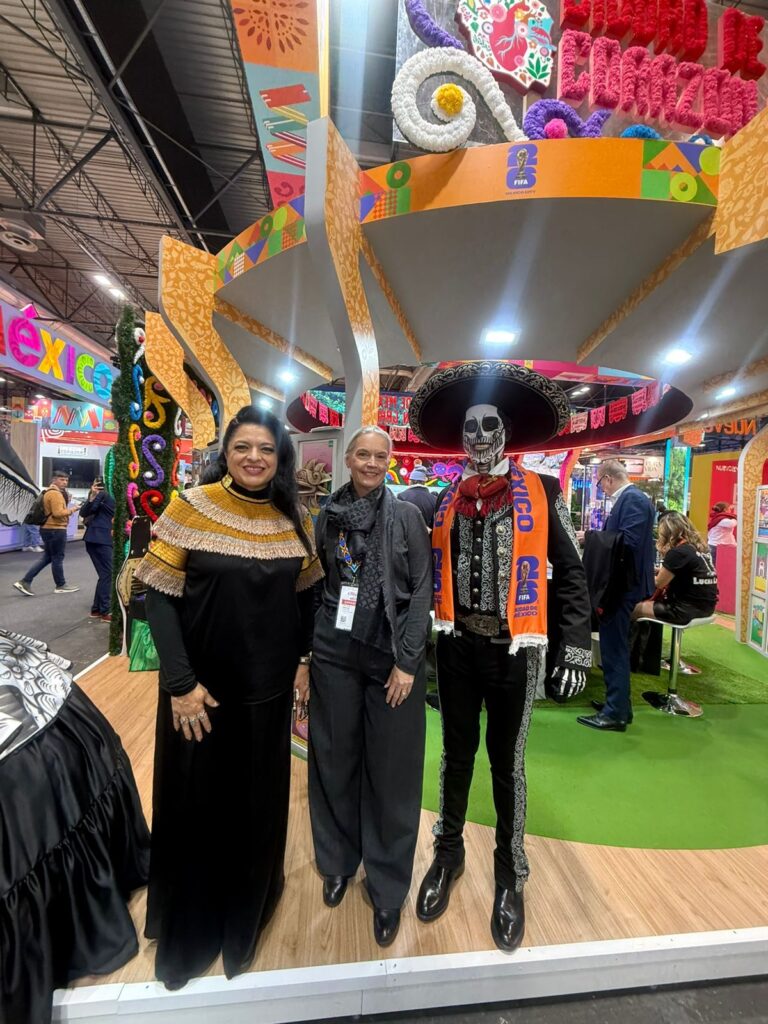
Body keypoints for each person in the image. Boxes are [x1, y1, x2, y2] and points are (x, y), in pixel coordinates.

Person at [134, 405, 322, 989]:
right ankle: (190, 935)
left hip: (267, 695)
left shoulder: (294, 517)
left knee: (255, 808)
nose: (254, 458)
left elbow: (308, 597)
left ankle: (246, 916)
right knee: (196, 807)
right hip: (201, 695)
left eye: (265, 449)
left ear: (280, 457)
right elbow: (158, 597)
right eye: (243, 447)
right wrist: (180, 685)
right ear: (226, 452)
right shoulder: (191, 505)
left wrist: (304, 660)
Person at [408, 362, 592, 954]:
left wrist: (575, 646)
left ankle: (511, 874)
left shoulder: (542, 492)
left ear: (506, 433)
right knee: (455, 756)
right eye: (470, 428)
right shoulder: (445, 499)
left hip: (516, 650)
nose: (479, 437)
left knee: (507, 764)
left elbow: (571, 574)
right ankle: (448, 855)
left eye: (489, 426)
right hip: (457, 647)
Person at [308, 425, 432, 948]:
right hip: (335, 649)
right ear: (349, 458)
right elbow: (319, 581)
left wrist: (407, 662)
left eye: (381, 456)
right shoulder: (329, 515)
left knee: (392, 773)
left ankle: (387, 888)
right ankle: (337, 861)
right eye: (363, 454)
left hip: (390, 653)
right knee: (334, 757)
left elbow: (422, 590)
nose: (372, 463)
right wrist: (307, 653)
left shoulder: (406, 517)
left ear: (390, 461)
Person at [577, 459, 655, 732]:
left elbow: (628, 543)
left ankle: (616, 713)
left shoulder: (633, 500)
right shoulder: (632, 499)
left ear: (608, 478)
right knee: (613, 645)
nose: (601, 488)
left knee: (614, 647)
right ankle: (619, 705)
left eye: (600, 483)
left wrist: (591, 537)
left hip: (623, 586)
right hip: (622, 584)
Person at [634, 512, 718, 624]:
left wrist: (640, 576)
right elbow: (689, 573)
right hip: (707, 608)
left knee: (631, 608)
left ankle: (630, 636)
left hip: (683, 610)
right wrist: (659, 571)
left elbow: (659, 583)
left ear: (667, 533)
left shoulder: (678, 552)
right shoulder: (700, 549)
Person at [13, 471, 80, 597]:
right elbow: (58, 513)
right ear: (54, 480)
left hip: (48, 529)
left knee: (48, 557)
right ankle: (60, 585)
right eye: (61, 479)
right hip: (55, 529)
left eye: (66, 480)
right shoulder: (55, 494)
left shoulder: (49, 492)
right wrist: (73, 509)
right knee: (57, 558)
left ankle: (25, 581)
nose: (65, 482)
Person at [80, 477, 115, 622]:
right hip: (101, 538)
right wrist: (93, 496)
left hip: (95, 538)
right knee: (108, 574)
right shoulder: (105, 495)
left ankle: (96, 609)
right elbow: (85, 512)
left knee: (104, 574)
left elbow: (84, 512)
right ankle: (105, 611)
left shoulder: (107, 496)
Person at [398, 465, 437, 529]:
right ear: (424, 482)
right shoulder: (434, 499)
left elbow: (398, 522)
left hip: (408, 534)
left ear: (413, 481)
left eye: (409, 479)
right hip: (428, 534)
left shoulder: (402, 496)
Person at [707, 501, 737, 565]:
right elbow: (731, 524)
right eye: (729, 509)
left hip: (716, 545)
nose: (730, 511)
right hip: (717, 547)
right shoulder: (722, 519)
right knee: (717, 566)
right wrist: (737, 518)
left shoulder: (718, 517)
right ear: (725, 510)